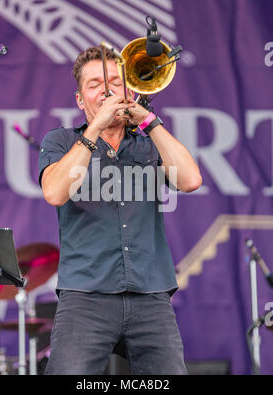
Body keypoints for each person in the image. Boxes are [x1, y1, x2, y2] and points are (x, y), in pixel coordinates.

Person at [38, 46, 202, 375]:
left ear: (130, 89)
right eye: (95, 84)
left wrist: (148, 120)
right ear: (80, 100)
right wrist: (95, 129)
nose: (108, 90)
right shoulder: (61, 140)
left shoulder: (148, 141)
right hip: (85, 295)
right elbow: (55, 192)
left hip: (150, 292)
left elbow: (190, 180)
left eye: (116, 81)